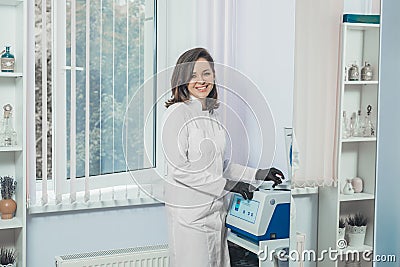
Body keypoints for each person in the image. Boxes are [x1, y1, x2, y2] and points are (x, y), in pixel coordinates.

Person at [162, 47, 284, 267]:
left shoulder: (212, 113)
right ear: (182, 79)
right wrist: (228, 185)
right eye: (193, 75)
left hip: (216, 215)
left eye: (206, 73)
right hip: (190, 219)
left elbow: (221, 165)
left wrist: (257, 173)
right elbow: (181, 170)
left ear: (214, 77)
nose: (201, 80)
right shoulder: (177, 113)